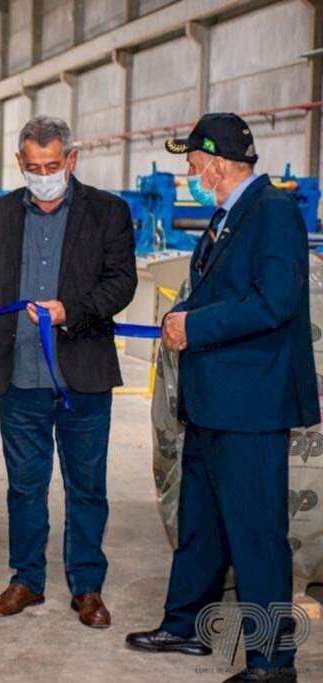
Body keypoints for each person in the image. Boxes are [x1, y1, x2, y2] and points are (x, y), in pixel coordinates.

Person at [126, 114, 318, 683]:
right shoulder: (227, 216)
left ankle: (273, 663)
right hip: (213, 400)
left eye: (192, 161)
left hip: (251, 404)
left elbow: (276, 302)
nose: (187, 171)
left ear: (218, 160)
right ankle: (183, 625)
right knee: (202, 523)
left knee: (256, 533)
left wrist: (195, 326)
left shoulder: (273, 212)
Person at [0, 115, 137, 628]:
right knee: (25, 486)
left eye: (52, 165)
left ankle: (86, 588)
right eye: (33, 166)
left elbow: (121, 284)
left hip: (82, 375)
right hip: (20, 373)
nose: (43, 174)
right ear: (20, 163)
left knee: (86, 486)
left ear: (71, 159)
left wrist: (72, 309)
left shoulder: (108, 212)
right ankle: (26, 579)